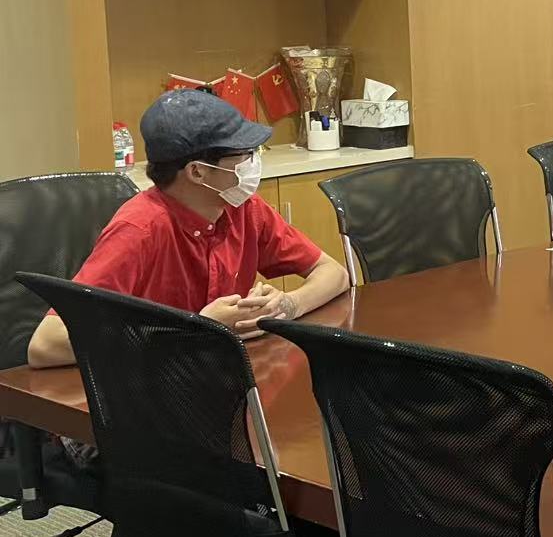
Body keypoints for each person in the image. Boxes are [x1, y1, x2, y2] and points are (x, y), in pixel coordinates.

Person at [28, 89, 350, 367]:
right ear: (197, 172)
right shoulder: (139, 230)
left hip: (220, 373)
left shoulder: (243, 208)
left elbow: (333, 273)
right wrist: (196, 328)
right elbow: (44, 346)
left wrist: (287, 306)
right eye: (243, 155)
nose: (253, 164)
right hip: (150, 390)